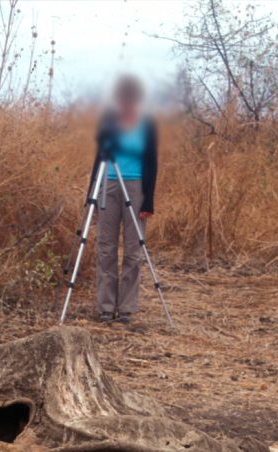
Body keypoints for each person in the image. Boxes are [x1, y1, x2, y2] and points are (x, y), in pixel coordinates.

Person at [89, 75, 158, 326]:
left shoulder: (147, 124)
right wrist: (92, 195)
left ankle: (127, 307)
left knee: (133, 250)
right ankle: (106, 306)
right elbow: (99, 157)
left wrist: (148, 200)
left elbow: (152, 161)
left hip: (136, 185)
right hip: (108, 184)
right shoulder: (108, 121)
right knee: (105, 247)